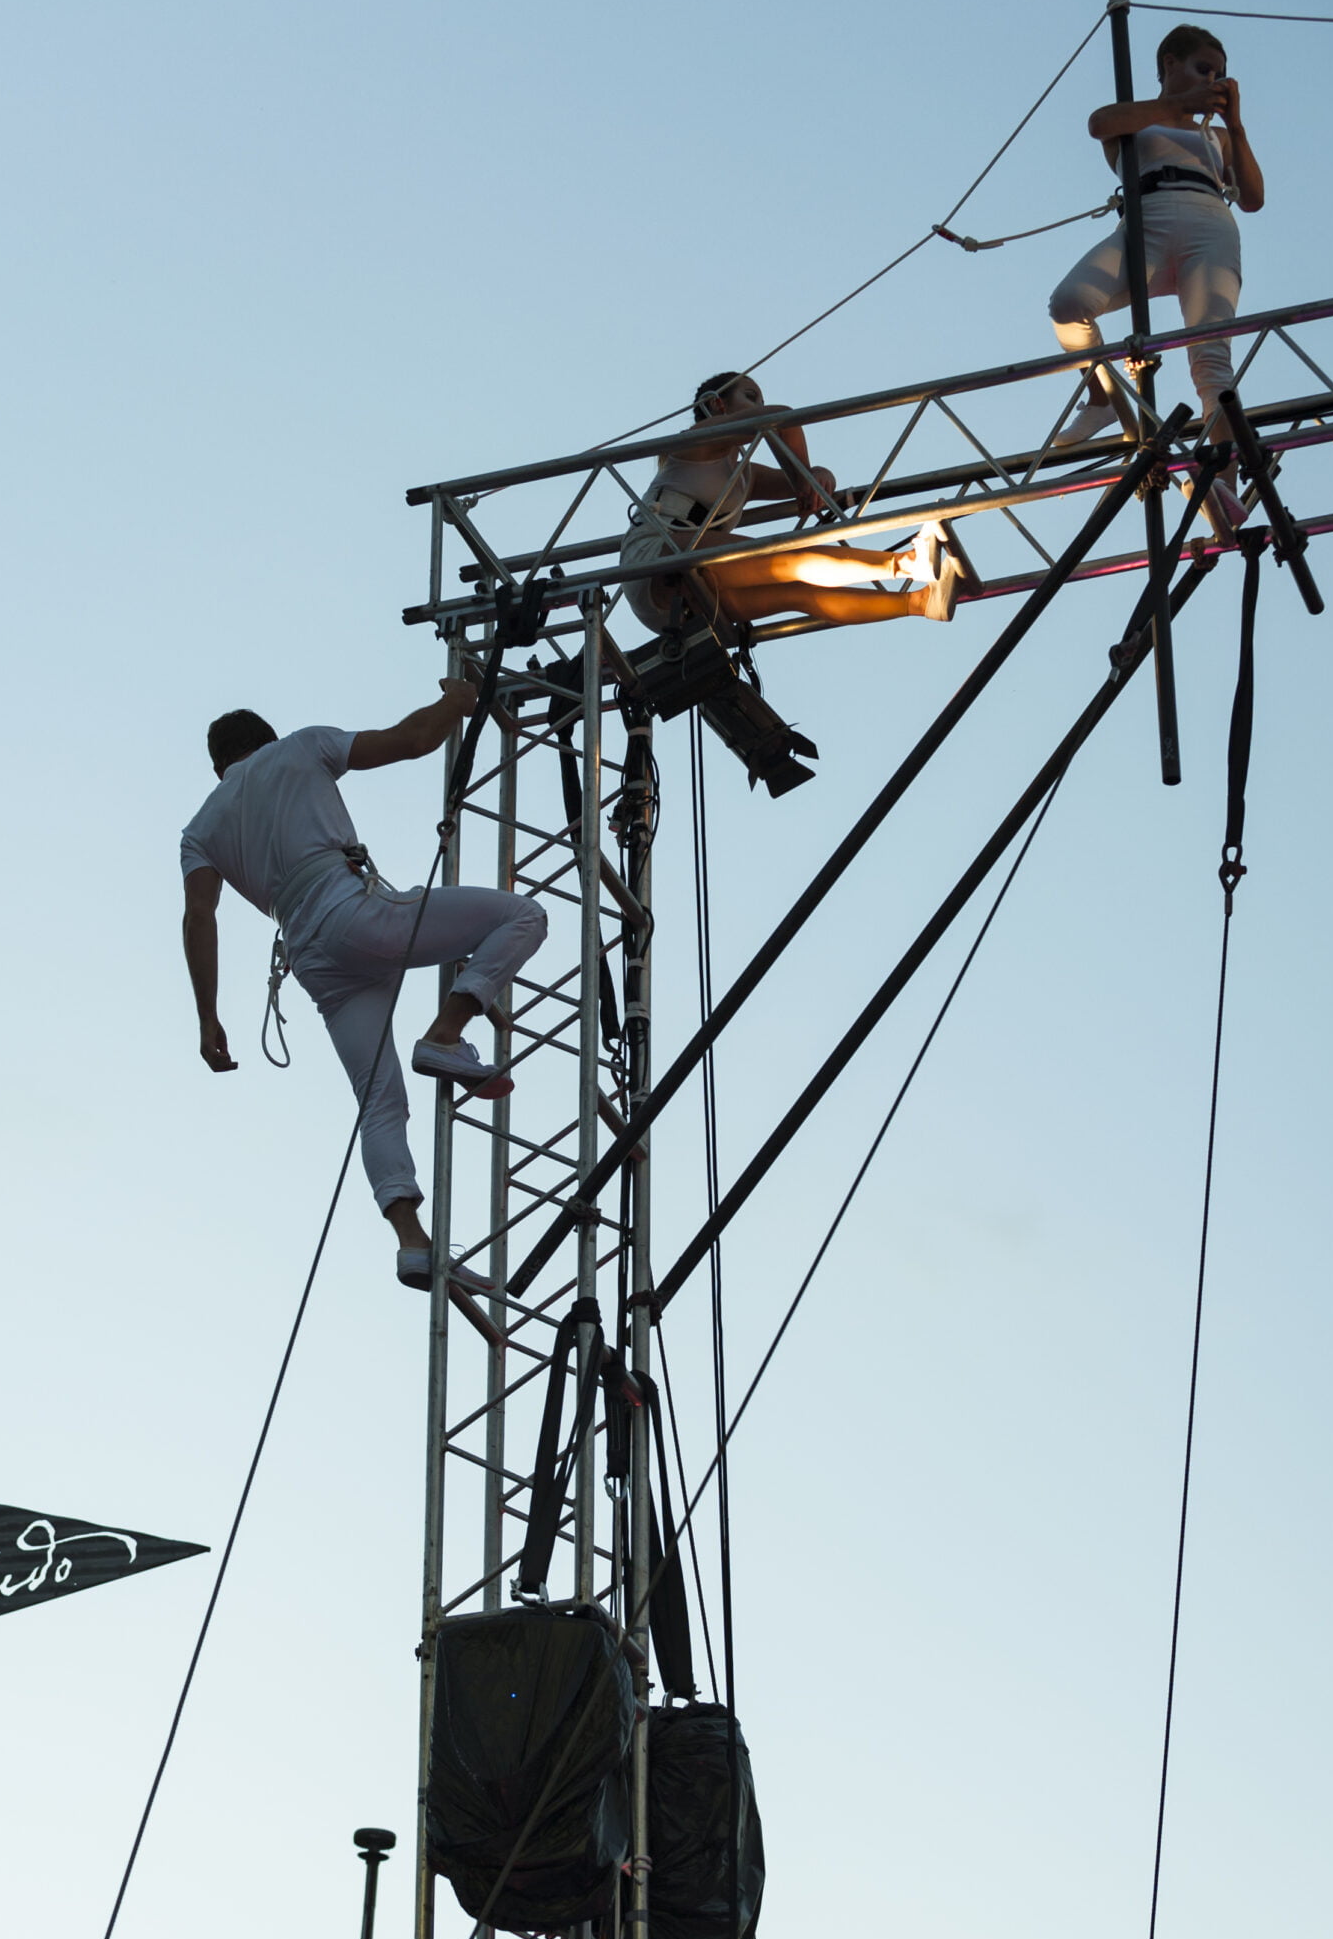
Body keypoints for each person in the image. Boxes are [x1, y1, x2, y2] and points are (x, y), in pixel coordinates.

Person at [179, 689, 547, 1294]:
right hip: (352, 911)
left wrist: (208, 1016)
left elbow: (200, 917)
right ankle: (446, 1032)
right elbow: (412, 740)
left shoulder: (201, 829)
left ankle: (412, 1242)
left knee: (378, 1100)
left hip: (312, 957)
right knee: (524, 917)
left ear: (220, 766)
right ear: (266, 739)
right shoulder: (298, 748)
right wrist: (457, 703)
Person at [1048, 23, 1265, 520]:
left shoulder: (1215, 136)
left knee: (1210, 358)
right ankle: (1101, 397)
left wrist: (1235, 126)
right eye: (1203, 68)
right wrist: (1181, 103)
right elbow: (1099, 124)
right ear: (1169, 63)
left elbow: (1253, 198)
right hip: (1148, 217)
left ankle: (1222, 482)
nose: (1211, 80)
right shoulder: (1136, 118)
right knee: (1069, 303)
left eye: (1218, 74)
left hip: (1208, 221)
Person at [621, 370, 962, 638]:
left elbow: (802, 477)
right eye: (750, 397)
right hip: (653, 557)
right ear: (717, 405)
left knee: (798, 594)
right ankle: (907, 564)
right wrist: (803, 478)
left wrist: (818, 475)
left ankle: (918, 603)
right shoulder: (695, 443)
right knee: (785, 560)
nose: (758, 405)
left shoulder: (746, 474)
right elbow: (782, 419)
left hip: (672, 603)